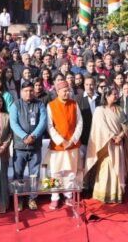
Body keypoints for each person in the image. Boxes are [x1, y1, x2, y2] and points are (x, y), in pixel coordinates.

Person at [86, 85, 128, 204]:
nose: (116, 96)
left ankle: (117, 195)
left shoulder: (120, 110)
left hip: (118, 143)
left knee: (118, 168)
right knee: (106, 167)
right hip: (106, 144)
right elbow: (100, 127)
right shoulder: (100, 110)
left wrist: (121, 136)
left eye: (117, 94)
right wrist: (112, 137)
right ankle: (103, 194)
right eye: (114, 94)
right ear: (106, 96)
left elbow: (126, 125)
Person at [46, 79, 84, 210]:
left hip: (72, 145)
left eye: (68, 90)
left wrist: (72, 140)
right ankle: (54, 197)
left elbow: (80, 123)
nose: (67, 93)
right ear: (58, 92)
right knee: (54, 172)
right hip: (57, 146)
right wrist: (62, 141)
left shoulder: (74, 104)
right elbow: (49, 126)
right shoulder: (51, 105)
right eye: (64, 91)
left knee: (71, 172)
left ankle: (68, 196)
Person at [9, 84, 47, 211]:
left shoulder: (40, 104)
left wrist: (34, 136)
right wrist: (25, 136)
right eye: (26, 91)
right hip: (20, 146)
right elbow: (13, 123)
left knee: (34, 175)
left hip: (35, 145)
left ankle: (32, 199)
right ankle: (19, 199)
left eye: (31, 90)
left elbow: (43, 122)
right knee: (18, 174)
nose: (29, 93)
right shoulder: (16, 105)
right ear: (21, 91)